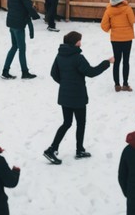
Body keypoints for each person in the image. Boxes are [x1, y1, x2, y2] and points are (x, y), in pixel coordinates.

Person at [43, 30, 113, 164]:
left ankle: (52, 148)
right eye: (79, 40)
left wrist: (64, 83)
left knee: (66, 123)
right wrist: (107, 62)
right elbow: (91, 72)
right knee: (80, 123)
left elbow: (53, 74)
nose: (81, 42)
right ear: (75, 42)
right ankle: (79, 150)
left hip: (65, 95)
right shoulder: (78, 57)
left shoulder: (60, 55)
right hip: (78, 96)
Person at [1, 0, 39, 78]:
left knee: (14, 46)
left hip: (12, 20)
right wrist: (35, 14)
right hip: (18, 22)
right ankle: (24, 72)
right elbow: (27, 5)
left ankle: (5, 70)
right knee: (21, 48)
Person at [101, 0, 135, 92]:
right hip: (127, 38)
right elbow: (132, 20)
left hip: (115, 38)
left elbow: (103, 25)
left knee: (116, 61)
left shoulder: (109, 10)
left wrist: (111, 28)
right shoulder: (127, 9)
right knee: (126, 61)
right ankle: (125, 84)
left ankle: (117, 85)